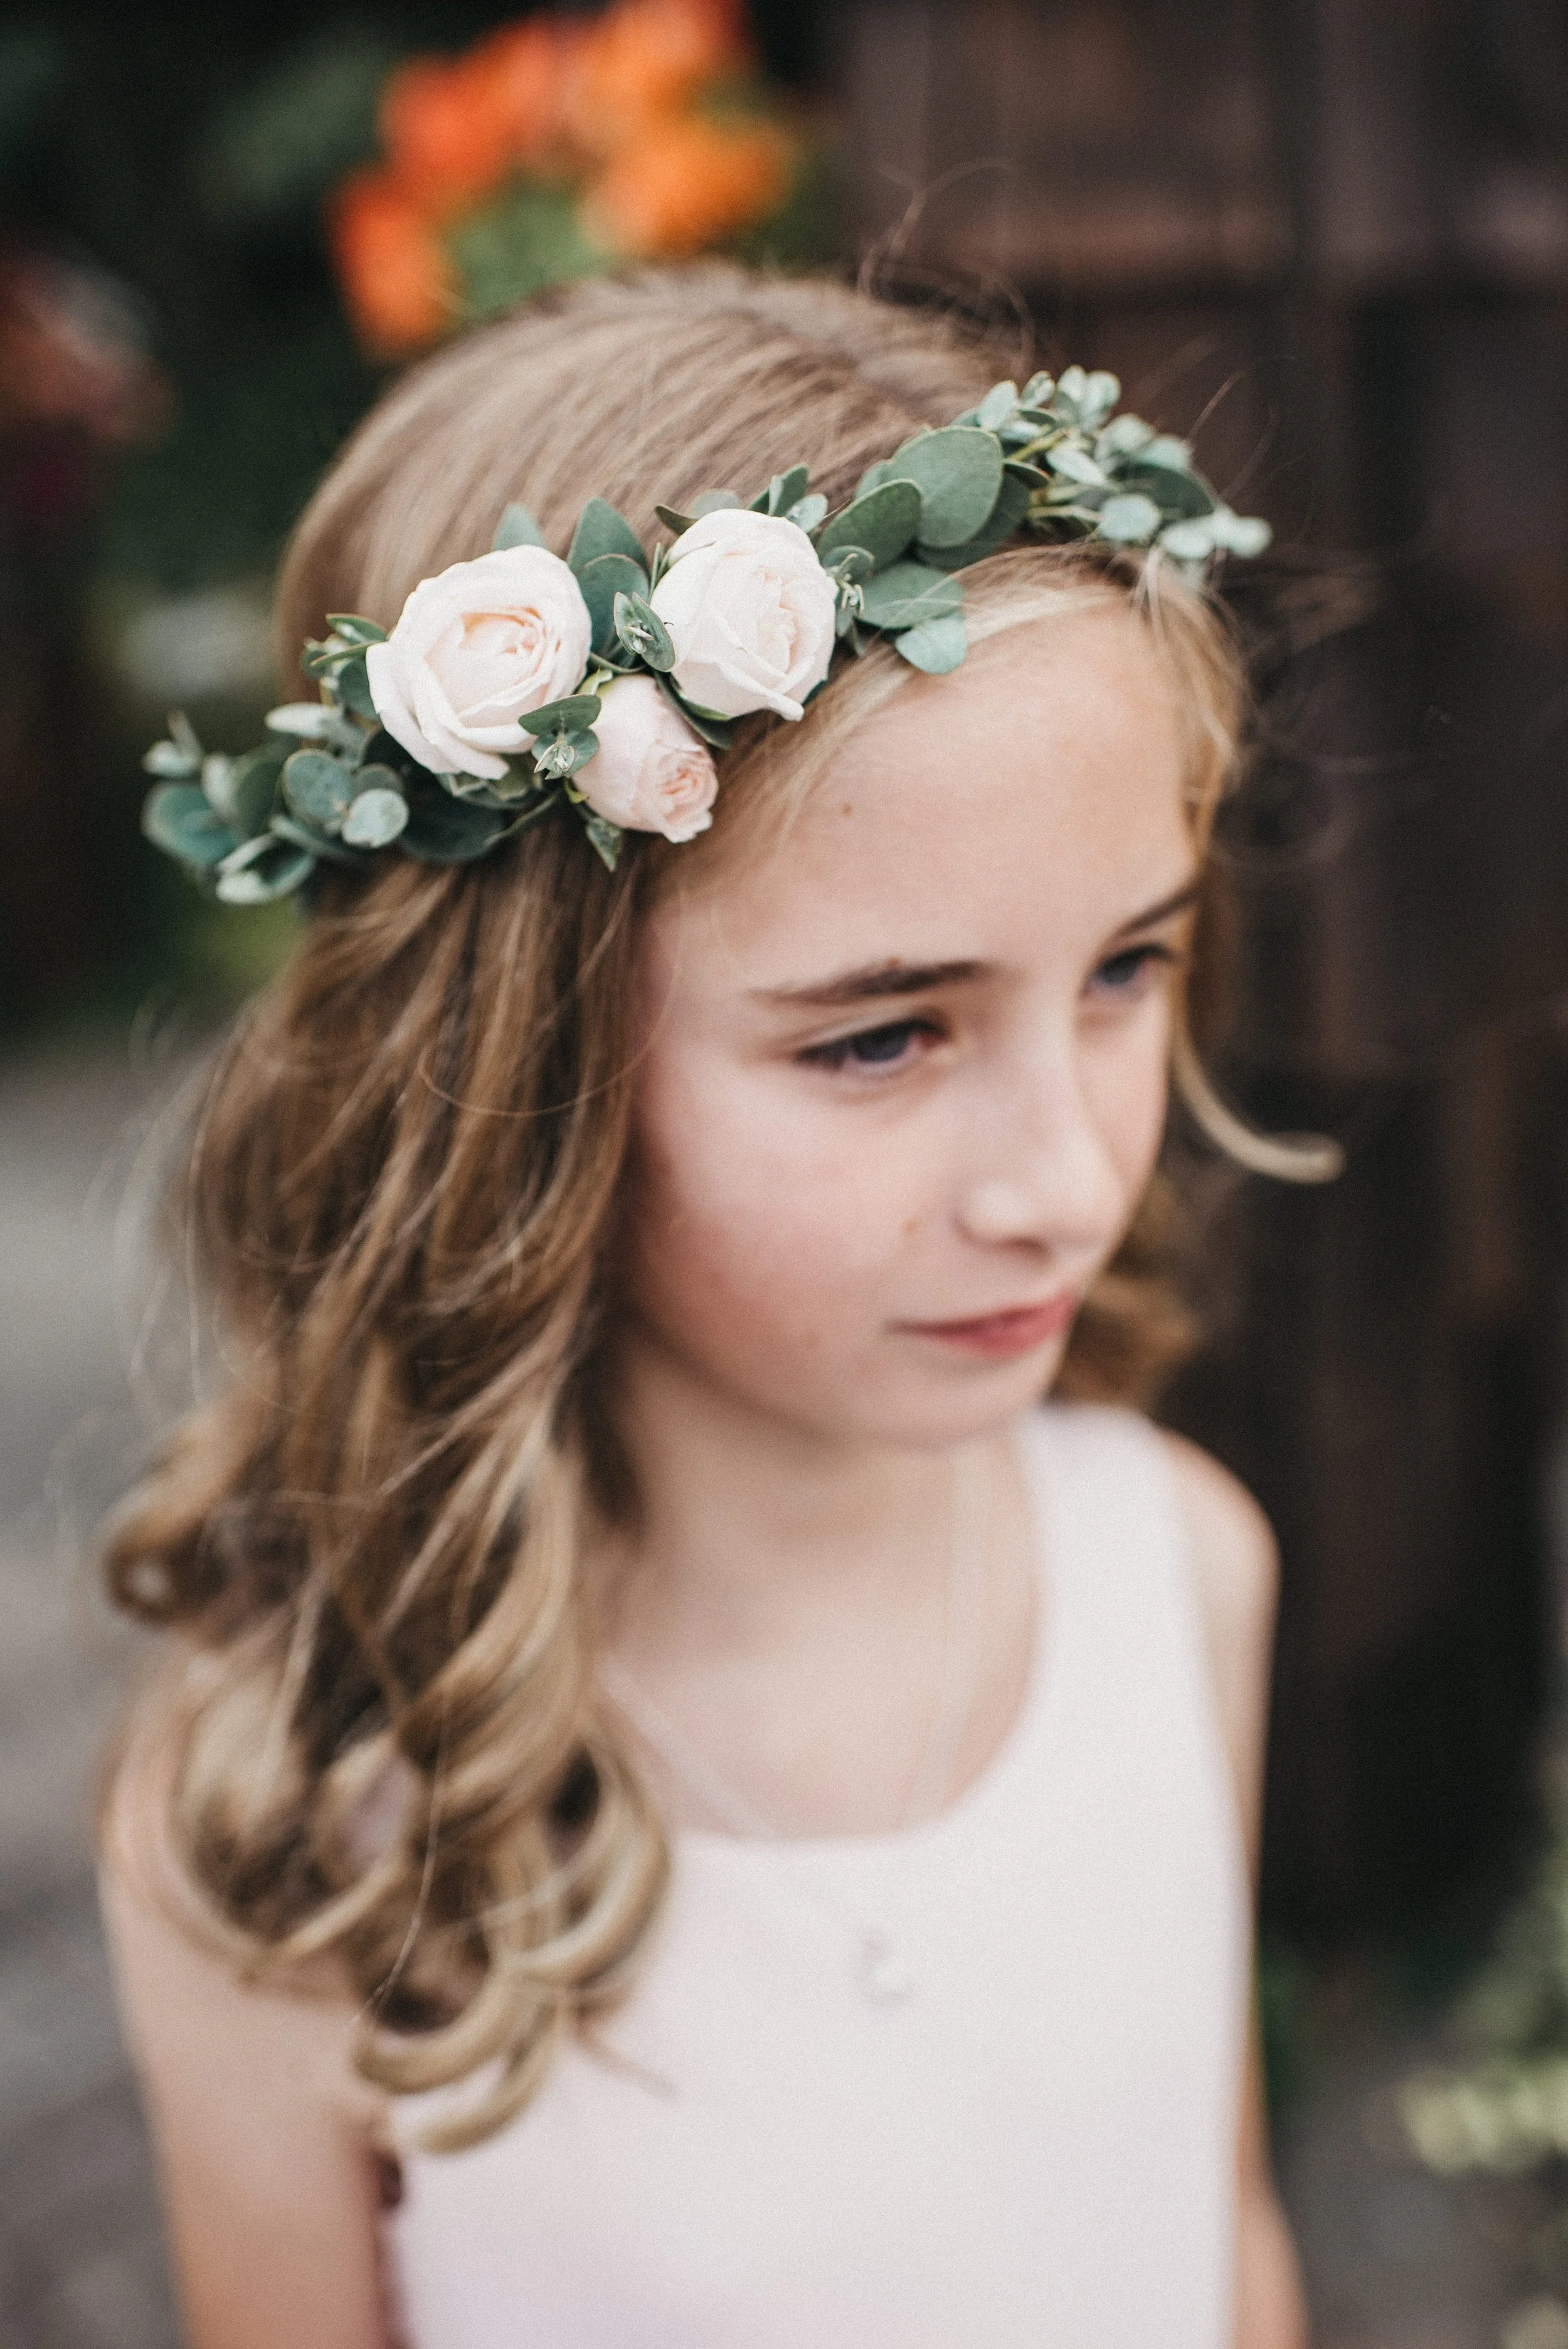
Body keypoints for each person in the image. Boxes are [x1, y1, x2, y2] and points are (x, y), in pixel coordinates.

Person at [100, 264, 1316, 2347]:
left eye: (1124, 970)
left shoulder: (1173, 1569)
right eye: (879, 1041)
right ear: (510, 1060)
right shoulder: (305, 1824)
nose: (1065, 1181)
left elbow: (1223, 2246)